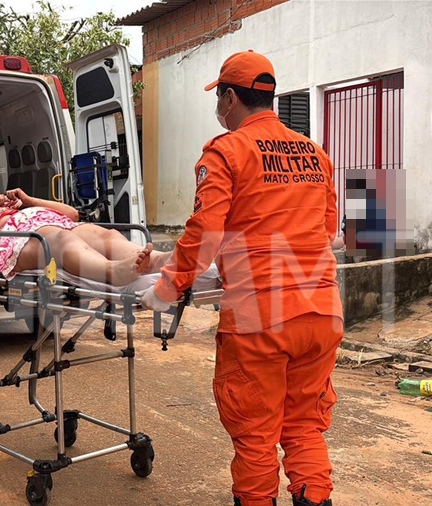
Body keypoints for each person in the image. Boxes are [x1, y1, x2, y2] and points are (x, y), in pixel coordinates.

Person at [139, 51, 342, 506]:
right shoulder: (315, 154)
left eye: (220, 98)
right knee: (304, 426)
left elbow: (205, 234)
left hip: (260, 318)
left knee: (255, 432)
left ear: (230, 98)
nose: (219, 107)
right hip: (322, 311)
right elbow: (327, 231)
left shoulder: (226, 152)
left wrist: (166, 289)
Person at [0, 187, 163, 289]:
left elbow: (72, 214)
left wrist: (29, 201)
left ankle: (158, 261)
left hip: (61, 224)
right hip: (22, 241)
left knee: (106, 235)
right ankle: (113, 271)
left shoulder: (29, 207)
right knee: (62, 240)